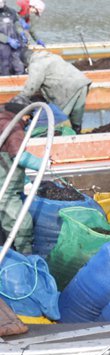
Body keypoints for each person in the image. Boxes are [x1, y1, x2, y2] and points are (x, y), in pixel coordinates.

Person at [0, 100, 42, 253]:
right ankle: (26, 260)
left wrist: (24, 179)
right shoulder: (14, 127)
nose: (28, 121)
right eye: (28, 118)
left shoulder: (2, 120)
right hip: (5, 190)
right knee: (21, 224)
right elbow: (19, 156)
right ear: (24, 116)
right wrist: (43, 164)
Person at [17, 49, 91, 133]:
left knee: (59, 118)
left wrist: (20, 97)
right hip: (81, 82)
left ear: (26, 61)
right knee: (77, 113)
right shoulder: (51, 56)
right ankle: (77, 133)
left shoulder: (36, 64)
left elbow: (31, 87)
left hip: (68, 89)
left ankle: (62, 137)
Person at [0, 0, 25, 76]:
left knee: (18, 64)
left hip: (14, 43)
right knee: (4, 65)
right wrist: (8, 40)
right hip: (2, 45)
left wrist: (21, 33)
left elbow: (17, 24)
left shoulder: (12, 11)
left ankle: (20, 80)